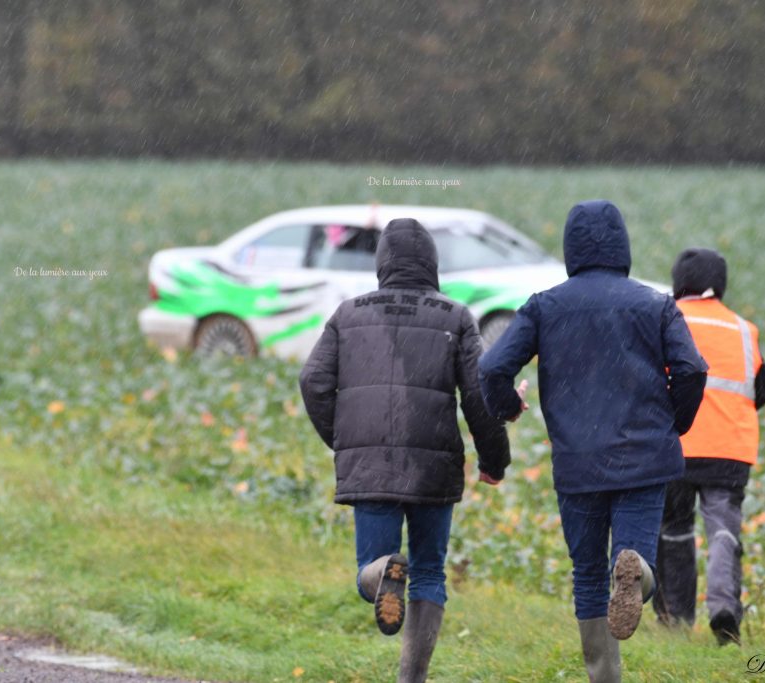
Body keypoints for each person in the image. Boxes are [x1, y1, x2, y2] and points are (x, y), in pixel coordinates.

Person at [478, 200, 707, 683]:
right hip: (644, 457)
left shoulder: (544, 305)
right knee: (635, 558)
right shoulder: (655, 303)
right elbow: (692, 368)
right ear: (622, 245)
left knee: (587, 574)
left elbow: (492, 367)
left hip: (578, 463)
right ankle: (636, 573)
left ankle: (604, 676)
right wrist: (673, 423)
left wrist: (506, 408)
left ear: (571, 248)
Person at [299, 217, 511, 682]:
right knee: (431, 572)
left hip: (370, 465)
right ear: (432, 263)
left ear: (382, 263)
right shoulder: (455, 317)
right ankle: (411, 678)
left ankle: (380, 575)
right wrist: (494, 461)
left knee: (368, 570)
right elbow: (479, 394)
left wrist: (345, 441)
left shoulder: (348, 313)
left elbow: (313, 382)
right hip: (432, 465)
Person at [652, 248, 765, 646]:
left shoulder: (666, 319)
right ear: (719, 285)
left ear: (677, 282)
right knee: (723, 529)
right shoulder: (743, 329)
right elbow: (761, 391)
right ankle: (723, 607)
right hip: (730, 450)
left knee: (674, 529)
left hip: (677, 446)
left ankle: (676, 618)